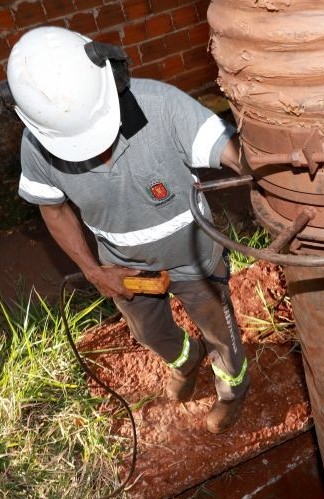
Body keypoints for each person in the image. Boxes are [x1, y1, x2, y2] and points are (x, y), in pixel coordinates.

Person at [5, 26, 251, 434]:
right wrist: (94, 270)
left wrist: (268, 170)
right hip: (122, 265)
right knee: (148, 331)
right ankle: (185, 360)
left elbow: (231, 153)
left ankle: (233, 391)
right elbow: (54, 210)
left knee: (219, 330)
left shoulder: (161, 105)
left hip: (194, 254)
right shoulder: (39, 143)